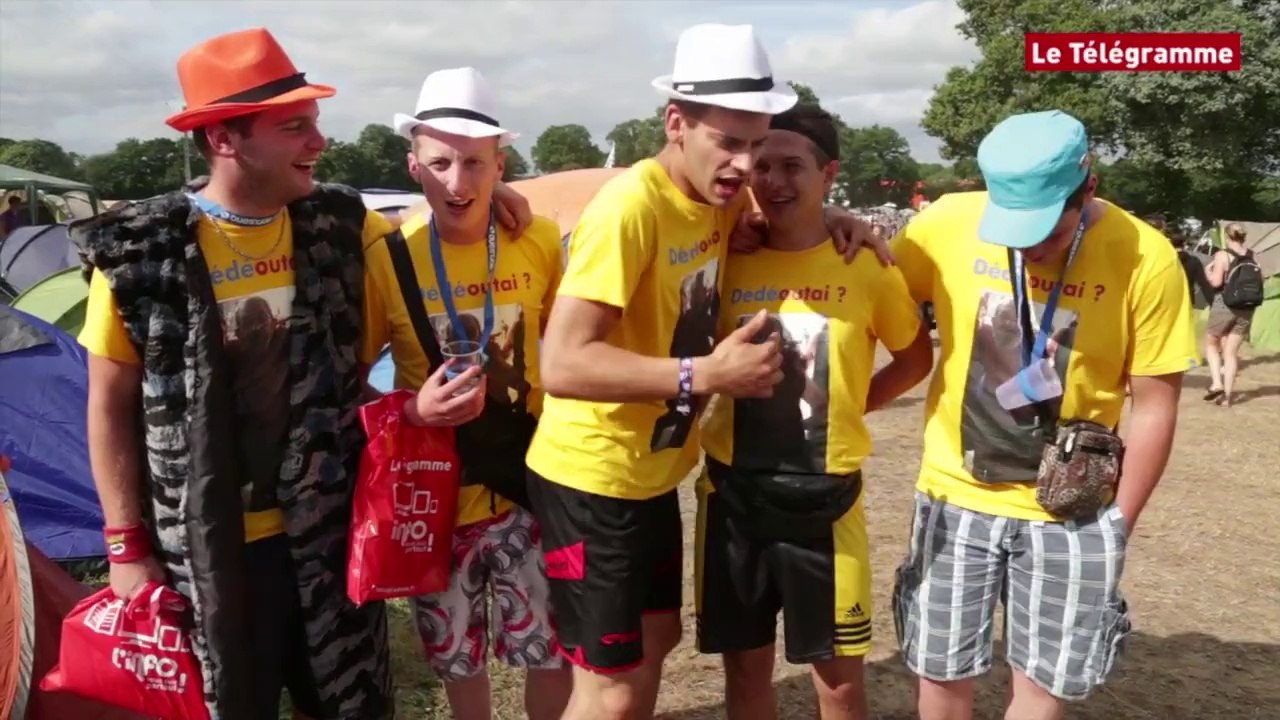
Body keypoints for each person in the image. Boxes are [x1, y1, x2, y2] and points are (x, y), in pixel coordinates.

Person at [74, 28, 532, 720]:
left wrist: (499, 196)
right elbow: (108, 404)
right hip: (206, 554)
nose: (319, 142)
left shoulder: (338, 223)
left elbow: (445, 215)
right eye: (295, 127)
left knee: (350, 707)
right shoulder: (145, 256)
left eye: (314, 123)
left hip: (330, 536)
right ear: (226, 139)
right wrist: (123, 546)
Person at [526, 23, 884, 720]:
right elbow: (563, 362)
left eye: (755, 144)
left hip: (651, 474)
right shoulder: (631, 210)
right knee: (615, 685)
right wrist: (706, 375)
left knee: (656, 642)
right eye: (729, 141)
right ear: (676, 123)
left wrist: (838, 216)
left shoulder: (716, 204)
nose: (745, 165)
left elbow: (785, 212)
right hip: (593, 477)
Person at [887, 110, 1198, 720]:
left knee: (1041, 687)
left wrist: (1116, 524)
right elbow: (868, 284)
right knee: (940, 673)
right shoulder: (945, 222)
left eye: (1046, 231)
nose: (1026, 246)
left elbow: (1155, 404)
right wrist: (841, 227)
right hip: (955, 498)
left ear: (1089, 186)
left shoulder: (1147, 257)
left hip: (1072, 514)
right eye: (1012, 228)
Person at [694, 104, 934, 720]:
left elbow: (914, 359)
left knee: (839, 686)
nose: (774, 181)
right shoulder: (726, 257)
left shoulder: (867, 266)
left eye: (793, 166)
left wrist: (853, 407)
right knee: (746, 676)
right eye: (763, 165)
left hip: (825, 507)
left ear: (828, 174)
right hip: (733, 497)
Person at [359, 67, 570, 720]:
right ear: (413, 164)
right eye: (441, 161)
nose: (459, 181)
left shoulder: (535, 239)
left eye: (476, 163)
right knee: (456, 658)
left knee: (550, 651)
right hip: (436, 497)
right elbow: (356, 376)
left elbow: (565, 353)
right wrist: (414, 410)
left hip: (531, 485)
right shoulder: (388, 257)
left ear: (499, 162)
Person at [1204, 222, 1263, 407]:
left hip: (1225, 304)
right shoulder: (1254, 255)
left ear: (1227, 236)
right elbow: (1261, 279)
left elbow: (1216, 283)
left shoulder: (1222, 255)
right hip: (1247, 308)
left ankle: (1216, 383)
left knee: (1211, 343)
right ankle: (1227, 398)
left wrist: (1208, 272)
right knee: (1231, 353)